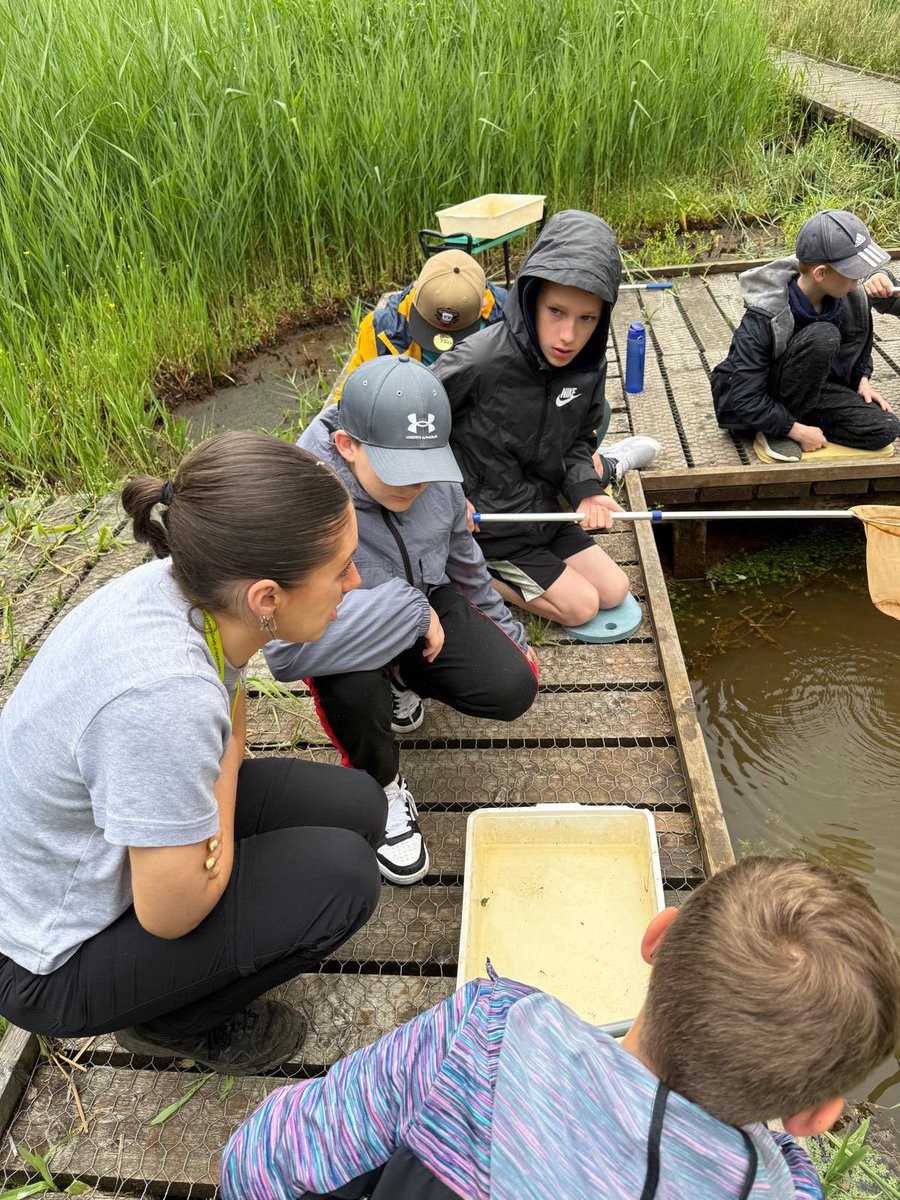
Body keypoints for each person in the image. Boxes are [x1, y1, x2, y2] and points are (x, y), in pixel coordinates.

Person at [0, 432, 388, 1075]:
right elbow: (172, 914)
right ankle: (170, 1024)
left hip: (100, 850)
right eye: (341, 567)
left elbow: (229, 720)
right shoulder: (166, 696)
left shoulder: (195, 587)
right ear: (267, 598)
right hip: (47, 954)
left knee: (359, 806)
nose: (356, 580)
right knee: (343, 878)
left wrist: (216, 814)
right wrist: (216, 821)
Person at [220, 855, 900, 1199]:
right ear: (815, 1117)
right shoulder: (776, 1187)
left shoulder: (483, 1034)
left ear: (658, 938)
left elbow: (259, 1163)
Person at [266, 356, 538, 886]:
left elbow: (466, 565)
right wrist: (406, 612)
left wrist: (510, 633)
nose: (415, 486)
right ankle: (382, 788)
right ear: (347, 445)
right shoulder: (301, 498)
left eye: (425, 468)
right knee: (348, 684)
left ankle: (400, 677)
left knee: (511, 685)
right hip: (339, 624)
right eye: (397, 470)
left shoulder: (439, 481)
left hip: (427, 598)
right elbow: (284, 643)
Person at [430, 210, 661, 630]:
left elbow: (580, 439)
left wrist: (587, 491)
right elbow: (413, 423)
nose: (568, 336)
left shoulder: (587, 367)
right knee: (581, 608)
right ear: (531, 298)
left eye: (586, 318)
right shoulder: (480, 360)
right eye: (556, 311)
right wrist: (444, 492)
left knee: (614, 589)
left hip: (544, 514)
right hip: (489, 529)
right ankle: (466, 574)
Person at [711, 209, 900, 462]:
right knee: (824, 336)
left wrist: (861, 378)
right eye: (854, 271)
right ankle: (776, 427)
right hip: (762, 398)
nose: (859, 279)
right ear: (821, 273)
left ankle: (792, 423)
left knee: (886, 427)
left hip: (815, 391)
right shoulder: (765, 315)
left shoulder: (845, 294)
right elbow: (742, 396)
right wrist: (794, 430)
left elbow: (854, 343)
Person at [340, 249, 507, 395]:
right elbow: (351, 394)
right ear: (416, 288)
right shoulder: (378, 330)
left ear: (483, 304)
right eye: (429, 326)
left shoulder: (507, 319)